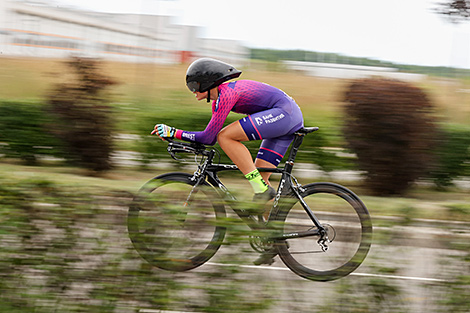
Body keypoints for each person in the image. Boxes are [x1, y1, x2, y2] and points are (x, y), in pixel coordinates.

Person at [152, 58, 304, 263]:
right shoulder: (219, 100)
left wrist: (175, 132)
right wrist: (179, 137)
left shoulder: (227, 93)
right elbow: (207, 137)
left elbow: (211, 138)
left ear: (207, 83)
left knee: (226, 137)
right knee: (261, 180)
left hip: (284, 115)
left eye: (194, 86)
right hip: (283, 116)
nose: (193, 91)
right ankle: (274, 240)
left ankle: (261, 189)